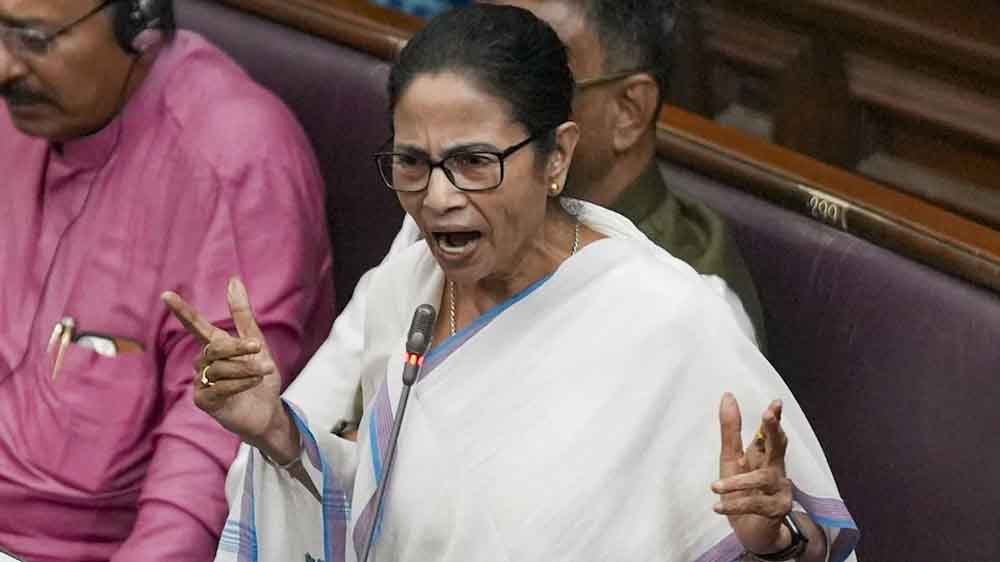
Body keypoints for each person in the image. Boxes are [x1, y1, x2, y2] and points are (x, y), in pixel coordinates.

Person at [166, 5, 858, 561]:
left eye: (474, 162)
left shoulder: (670, 318)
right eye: (412, 163)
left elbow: (789, 543)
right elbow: (391, 525)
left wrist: (773, 542)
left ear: (556, 158)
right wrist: (278, 431)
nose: (438, 198)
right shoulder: (407, 285)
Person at [0, 0, 334, 560]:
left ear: (138, 22)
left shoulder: (236, 161)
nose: (4, 68)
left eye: (33, 39)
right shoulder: (24, 113)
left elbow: (210, 458)